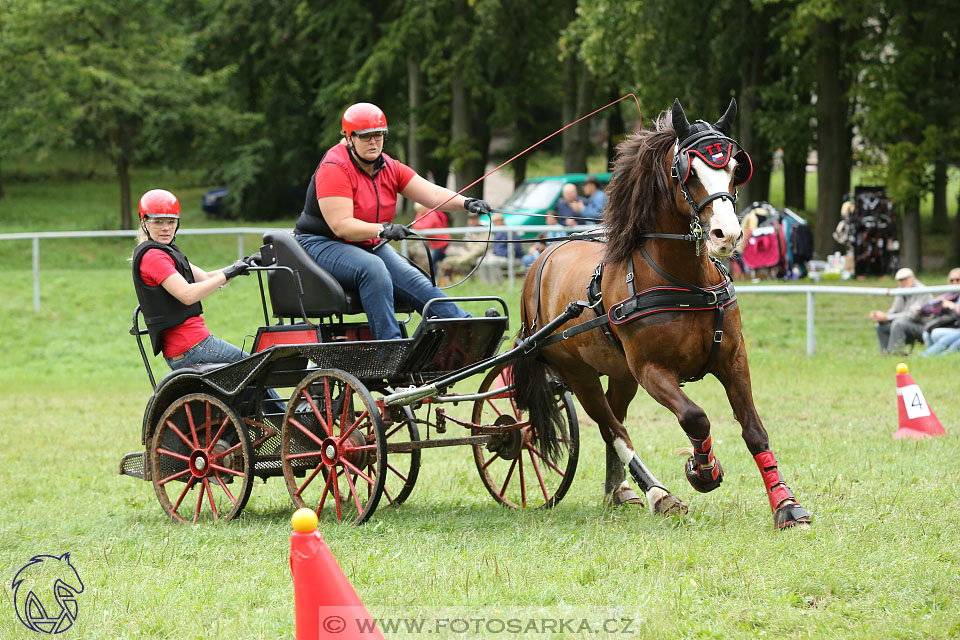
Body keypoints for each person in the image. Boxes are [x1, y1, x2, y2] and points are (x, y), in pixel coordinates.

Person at [294, 103, 492, 340]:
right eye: (365, 137)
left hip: (366, 242)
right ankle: (391, 347)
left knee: (414, 277)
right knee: (373, 269)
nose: (373, 142)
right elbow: (341, 225)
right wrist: (383, 229)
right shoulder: (334, 167)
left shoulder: (388, 166)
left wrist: (466, 203)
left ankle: (468, 330)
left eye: (378, 135)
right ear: (349, 138)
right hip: (322, 243)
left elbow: (432, 194)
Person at [868, 267, 933, 354]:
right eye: (900, 280)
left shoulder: (923, 291)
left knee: (899, 324)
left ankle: (895, 353)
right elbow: (895, 310)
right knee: (881, 325)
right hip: (906, 324)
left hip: (923, 327)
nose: (903, 282)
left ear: (913, 278)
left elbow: (912, 316)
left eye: (905, 279)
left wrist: (887, 317)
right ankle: (885, 354)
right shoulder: (900, 290)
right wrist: (881, 317)